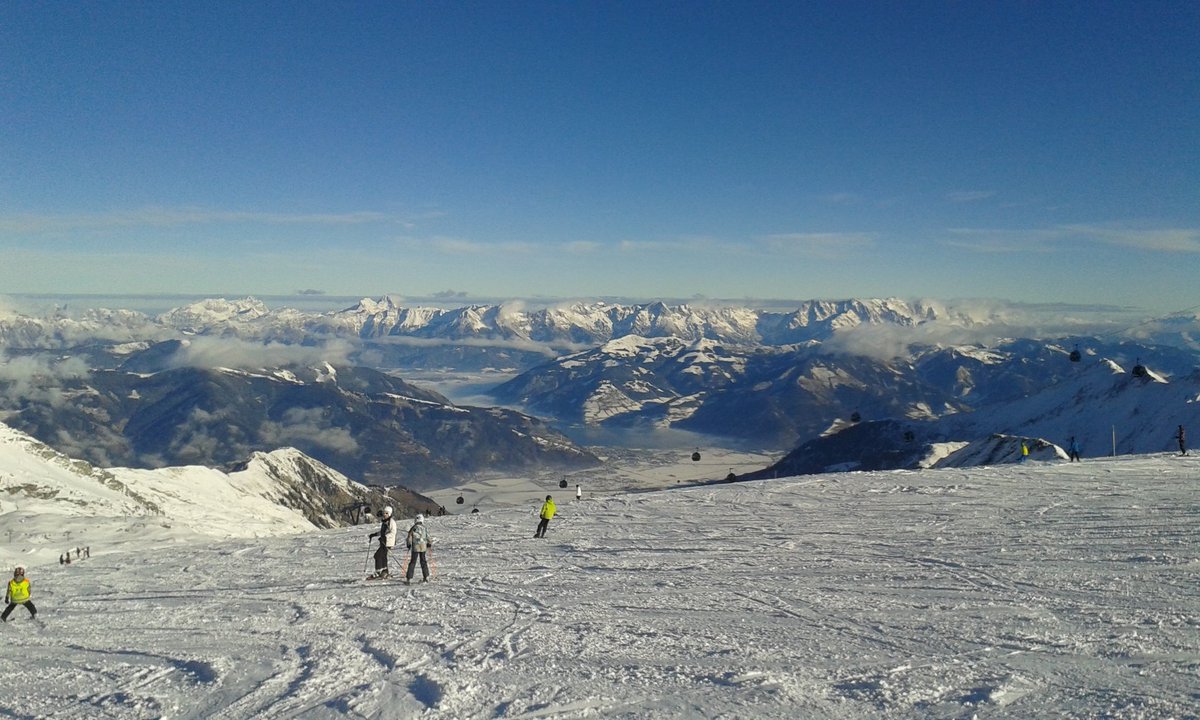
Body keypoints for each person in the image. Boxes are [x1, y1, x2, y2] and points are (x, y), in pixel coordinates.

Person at [367, 506, 397, 579]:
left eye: (386, 513)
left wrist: (385, 537)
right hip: (383, 542)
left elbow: (393, 532)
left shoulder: (391, 522)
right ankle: (384, 571)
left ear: (389, 514)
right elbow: (382, 532)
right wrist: (375, 534)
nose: (384, 514)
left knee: (377, 555)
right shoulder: (385, 522)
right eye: (384, 513)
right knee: (383, 556)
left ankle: (378, 572)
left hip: (388, 543)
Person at [405, 515, 432, 584]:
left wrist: (408, 544)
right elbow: (428, 536)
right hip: (423, 547)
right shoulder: (424, 528)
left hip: (415, 547)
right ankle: (426, 576)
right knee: (423, 561)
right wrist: (429, 543)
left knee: (413, 562)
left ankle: (409, 578)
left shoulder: (413, 528)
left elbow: (409, 537)